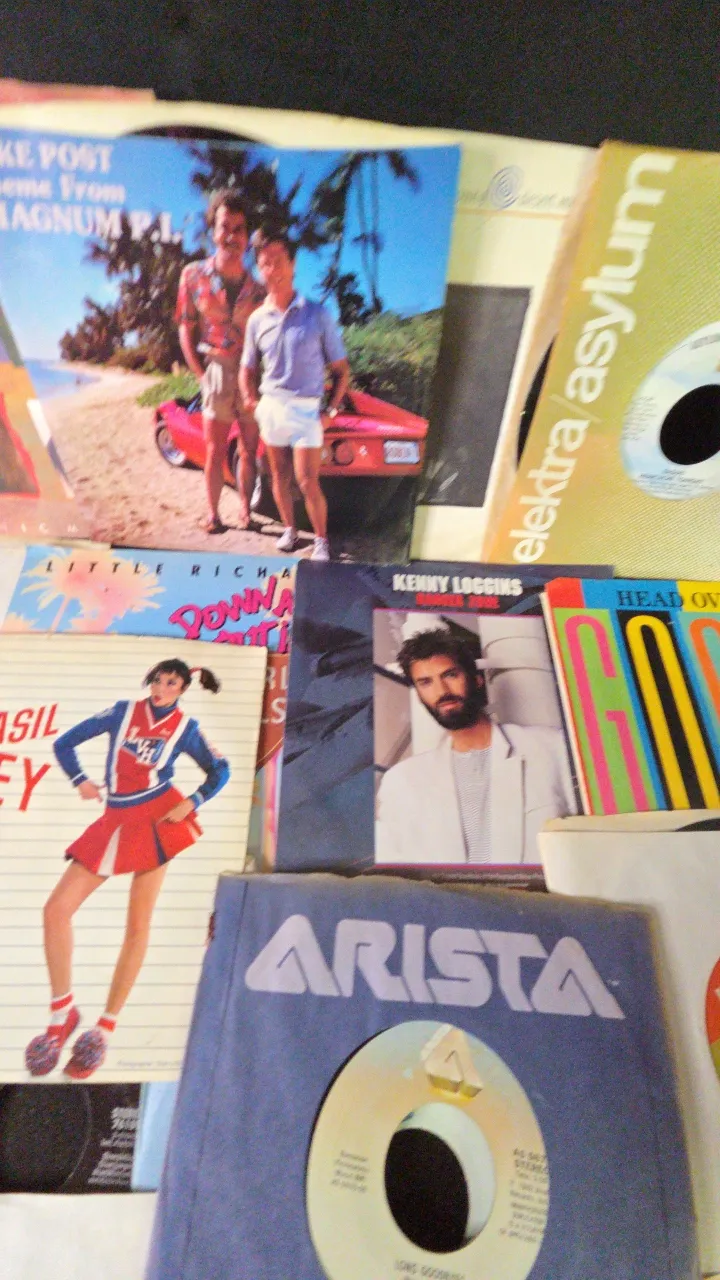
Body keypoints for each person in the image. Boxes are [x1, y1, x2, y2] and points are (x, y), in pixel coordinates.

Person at [25, 659, 230, 1080]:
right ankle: (62, 1012)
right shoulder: (122, 712)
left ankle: (104, 1028)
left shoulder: (185, 728)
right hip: (114, 818)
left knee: (138, 924)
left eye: (171, 683)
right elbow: (65, 742)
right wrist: (80, 779)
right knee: (56, 910)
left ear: (183, 689)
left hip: (158, 819)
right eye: (158, 680)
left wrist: (192, 802)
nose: (161, 688)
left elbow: (220, 769)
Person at [375, 629, 576, 865]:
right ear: (418, 694)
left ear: (477, 679)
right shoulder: (401, 782)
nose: (442, 692)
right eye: (426, 682)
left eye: (450, 675)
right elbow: (393, 868)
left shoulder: (553, 748)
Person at [240, 229, 351, 561]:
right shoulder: (256, 319)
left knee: (306, 480)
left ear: (293, 265)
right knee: (279, 476)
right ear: (259, 270)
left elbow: (342, 370)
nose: (272, 270)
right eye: (264, 264)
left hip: (306, 410)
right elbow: (247, 367)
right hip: (271, 408)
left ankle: (321, 541)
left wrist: (330, 411)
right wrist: (251, 401)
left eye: (278, 261)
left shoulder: (318, 314)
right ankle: (289, 530)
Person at [176, 189, 265, 534]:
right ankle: (213, 515)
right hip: (215, 368)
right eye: (225, 227)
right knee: (214, 450)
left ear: (247, 236)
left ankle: (246, 511)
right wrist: (201, 375)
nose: (232, 236)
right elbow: (185, 327)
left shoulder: (258, 289)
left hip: (250, 374)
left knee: (249, 449)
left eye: (239, 229)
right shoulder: (193, 275)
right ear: (213, 231)